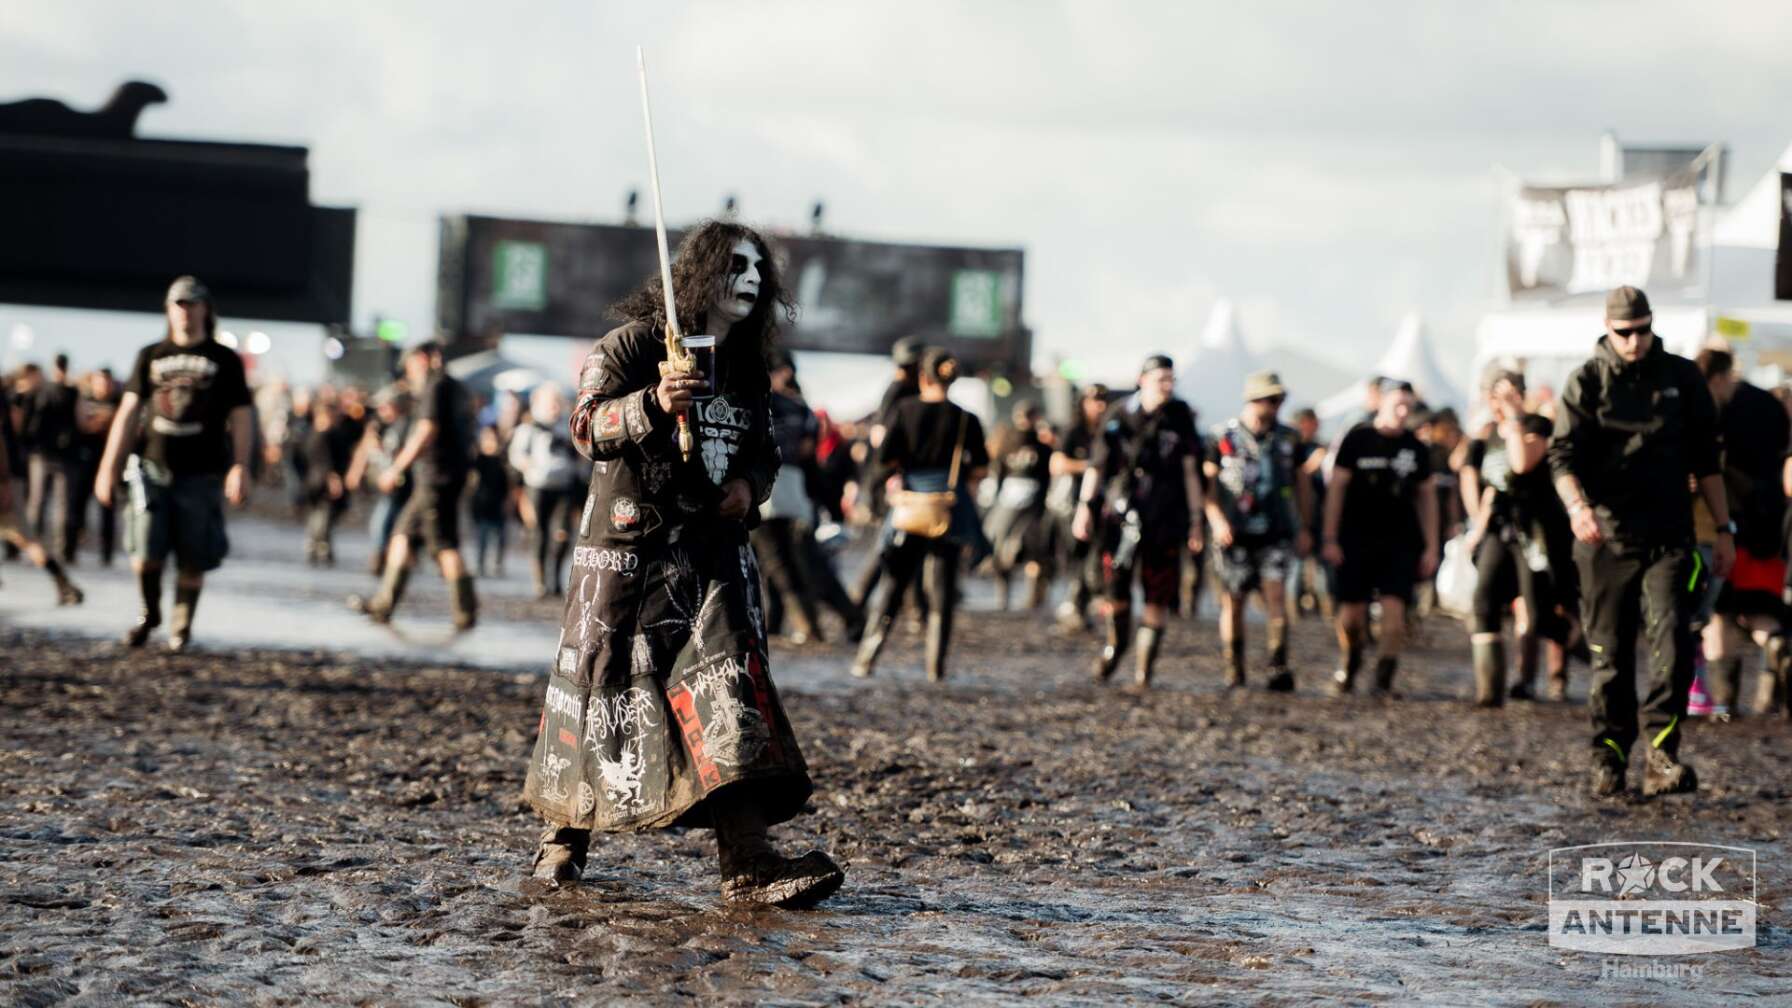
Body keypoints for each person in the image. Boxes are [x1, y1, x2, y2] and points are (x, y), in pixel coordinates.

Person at [523, 220, 843, 908]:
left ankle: (748, 861)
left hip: (714, 557)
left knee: (729, 687)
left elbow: (765, 452)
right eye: (735, 266)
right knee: (601, 687)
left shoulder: (748, 366)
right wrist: (652, 402)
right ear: (699, 273)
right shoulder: (631, 345)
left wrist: (748, 487)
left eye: (758, 270)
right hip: (627, 555)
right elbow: (584, 427)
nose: (749, 280)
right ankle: (563, 839)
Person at [1549, 286, 1731, 798]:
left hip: (1670, 538)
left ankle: (1662, 755)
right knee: (1609, 655)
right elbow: (1561, 458)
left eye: (1643, 330)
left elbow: (1708, 462)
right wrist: (1577, 508)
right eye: (1624, 332)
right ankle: (1608, 755)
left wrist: (1724, 529)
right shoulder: (1586, 380)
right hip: (1604, 537)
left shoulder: (1682, 377)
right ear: (1608, 329)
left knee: (1673, 642)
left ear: (1653, 324)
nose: (1634, 341)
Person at [93, 276, 254, 651]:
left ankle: (181, 627)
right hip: (153, 467)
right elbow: (128, 413)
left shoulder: (224, 359)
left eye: (192, 304)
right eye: (178, 305)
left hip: (203, 471)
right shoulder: (151, 355)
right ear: (168, 310)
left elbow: (242, 415)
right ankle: (149, 612)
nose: (185, 312)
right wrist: (108, 467)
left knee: (194, 555)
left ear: (205, 309)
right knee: (145, 549)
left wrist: (241, 465)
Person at [850, 348, 990, 681]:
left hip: (910, 508)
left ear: (923, 377)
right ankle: (935, 667)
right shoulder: (965, 419)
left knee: (893, 585)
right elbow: (981, 467)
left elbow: (884, 459)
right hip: (947, 511)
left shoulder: (904, 410)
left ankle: (866, 659)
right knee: (942, 589)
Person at [1073, 354, 1206, 690]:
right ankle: (1115, 647)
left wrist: (1196, 520)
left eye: (1171, 380)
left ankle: (1144, 672)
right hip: (1120, 516)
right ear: (1142, 380)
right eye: (1161, 379)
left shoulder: (1180, 416)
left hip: (1166, 516)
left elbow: (1191, 471)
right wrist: (1084, 508)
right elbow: (1096, 466)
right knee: (1116, 590)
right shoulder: (1119, 414)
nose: (1167, 386)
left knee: (1157, 595)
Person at [1459, 371, 1574, 705]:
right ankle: (1490, 690)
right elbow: (1491, 487)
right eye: (1495, 396)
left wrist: (1515, 419)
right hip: (1500, 528)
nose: (1498, 403)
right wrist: (1477, 529)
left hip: (1535, 533)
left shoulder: (1537, 425)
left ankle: (1582, 648)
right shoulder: (1487, 435)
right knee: (1484, 600)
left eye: (1506, 395)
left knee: (1537, 615)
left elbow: (1522, 463)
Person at [349, 341, 478, 630]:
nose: (409, 372)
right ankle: (384, 604)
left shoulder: (436, 385)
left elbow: (426, 429)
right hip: (442, 477)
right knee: (403, 536)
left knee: (444, 544)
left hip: (436, 477)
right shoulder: (455, 387)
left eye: (410, 364)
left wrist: (396, 468)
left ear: (423, 359)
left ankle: (465, 611)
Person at [1322, 379, 1438, 696]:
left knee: (1394, 616)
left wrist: (1431, 545)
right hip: (1355, 539)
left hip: (1399, 542)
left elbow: (1427, 498)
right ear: (1381, 403)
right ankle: (1350, 660)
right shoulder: (1357, 440)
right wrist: (1329, 536)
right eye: (1397, 405)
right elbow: (1336, 489)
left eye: (1408, 407)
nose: (1403, 412)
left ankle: (1383, 678)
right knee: (1351, 616)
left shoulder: (1415, 448)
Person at [1692, 348, 1792, 718]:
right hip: (1770, 526)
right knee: (1762, 608)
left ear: (1718, 378)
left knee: (1721, 613)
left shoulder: (1715, 412)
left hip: (1728, 525)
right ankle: (1776, 652)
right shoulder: (1769, 404)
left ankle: (1725, 700)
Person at [1204, 371, 1312, 691]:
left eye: (1280, 400)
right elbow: (1207, 485)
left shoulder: (1289, 438)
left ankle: (1277, 664)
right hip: (1234, 532)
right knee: (1233, 601)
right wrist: (1216, 520)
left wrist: (1304, 526)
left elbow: (1302, 484)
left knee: (1276, 594)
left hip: (1276, 530)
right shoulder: (1221, 436)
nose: (1277, 406)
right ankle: (1234, 667)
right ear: (1253, 400)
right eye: (1271, 400)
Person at [0, 387, 83, 605]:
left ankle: (63, 584)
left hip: (6, 479)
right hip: (9, 477)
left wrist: (4, 480)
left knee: (24, 536)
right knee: (23, 536)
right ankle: (63, 584)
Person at [508, 383, 586, 597]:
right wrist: (530, 466)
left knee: (562, 533)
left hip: (564, 486)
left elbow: (581, 454)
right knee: (539, 533)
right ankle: (541, 580)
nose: (554, 408)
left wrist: (579, 468)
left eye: (557, 403)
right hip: (538, 486)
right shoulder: (529, 428)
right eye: (550, 403)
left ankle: (556, 578)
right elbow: (516, 455)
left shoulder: (569, 426)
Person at [1050, 383, 1110, 632]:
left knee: (1095, 556)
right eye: (1095, 401)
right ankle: (1073, 604)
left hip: (1103, 503)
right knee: (1078, 555)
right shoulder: (1073, 430)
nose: (1100, 406)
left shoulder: (1110, 430)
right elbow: (1057, 464)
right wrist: (1091, 467)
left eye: (1103, 401)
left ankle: (1080, 604)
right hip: (1073, 504)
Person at [985, 400, 1055, 611]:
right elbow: (999, 471)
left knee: (1032, 549)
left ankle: (1034, 597)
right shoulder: (1007, 440)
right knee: (998, 543)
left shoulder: (1043, 446)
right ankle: (1003, 593)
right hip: (1008, 500)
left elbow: (1046, 477)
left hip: (1033, 504)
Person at [23, 353, 79, 560]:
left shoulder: (42, 391)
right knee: (57, 505)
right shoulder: (71, 392)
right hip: (56, 454)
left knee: (41, 503)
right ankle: (58, 550)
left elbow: (28, 424)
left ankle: (37, 548)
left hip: (47, 454)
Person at [72, 368, 122, 565]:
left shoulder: (118, 401)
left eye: (107, 382)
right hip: (84, 461)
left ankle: (107, 554)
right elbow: (81, 425)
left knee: (107, 509)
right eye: (100, 382)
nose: (104, 386)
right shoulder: (84, 399)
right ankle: (72, 549)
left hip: (108, 463)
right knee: (77, 507)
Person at [300, 396, 353, 566]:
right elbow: (326, 460)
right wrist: (333, 479)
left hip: (313, 480)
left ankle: (315, 547)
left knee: (318, 516)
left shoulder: (311, 434)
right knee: (323, 516)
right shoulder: (325, 435)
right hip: (322, 482)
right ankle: (320, 548)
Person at [469, 426, 511, 578]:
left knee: (501, 537)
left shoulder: (503, 460)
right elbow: (471, 481)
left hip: (499, 503)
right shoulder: (478, 460)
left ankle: (498, 564)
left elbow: (508, 483)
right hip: (482, 504)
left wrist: (508, 501)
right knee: (482, 536)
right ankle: (480, 564)